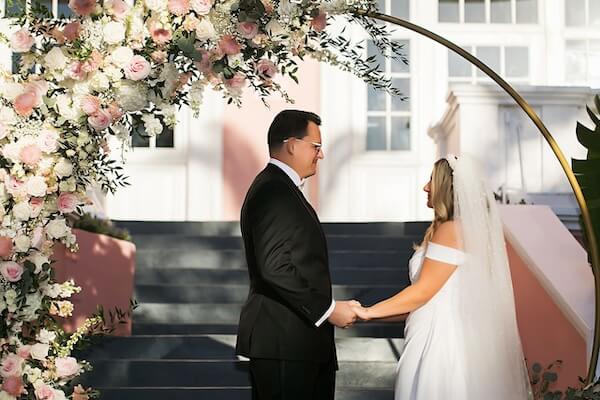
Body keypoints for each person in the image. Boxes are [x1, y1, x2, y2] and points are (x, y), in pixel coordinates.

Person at [352, 154, 531, 399]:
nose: (425, 187)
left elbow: (423, 292)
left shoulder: (451, 229)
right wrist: (368, 315)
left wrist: (369, 311)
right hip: (432, 332)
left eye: (432, 180)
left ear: (446, 188)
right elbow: (430, 297)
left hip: (438, 344)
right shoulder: (455, 230)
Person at [236, 109, 359, 400]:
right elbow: (274, 266)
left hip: (300, 344)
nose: (321, 154)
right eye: (316, 146)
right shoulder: (273, 190)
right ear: (292, 144)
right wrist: (328, 310)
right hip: (284, 343)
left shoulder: (282, 188)